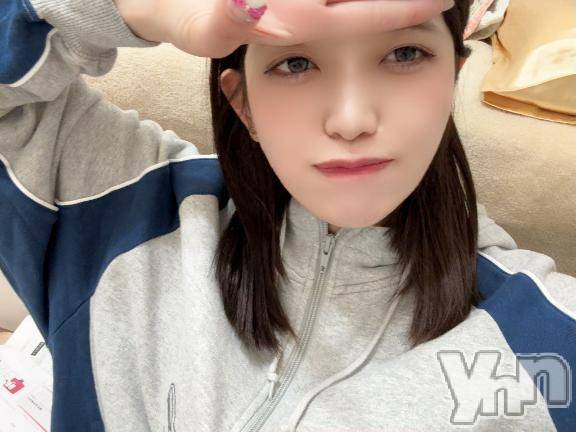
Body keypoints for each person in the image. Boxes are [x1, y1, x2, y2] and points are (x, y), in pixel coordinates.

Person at [0, 0, 574, 431]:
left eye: (404, 54)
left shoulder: (547, 335)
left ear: (453, 77)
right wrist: (141, 9)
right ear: (242, 101)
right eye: (296, 62)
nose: (351, 119)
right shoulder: (111, 201)